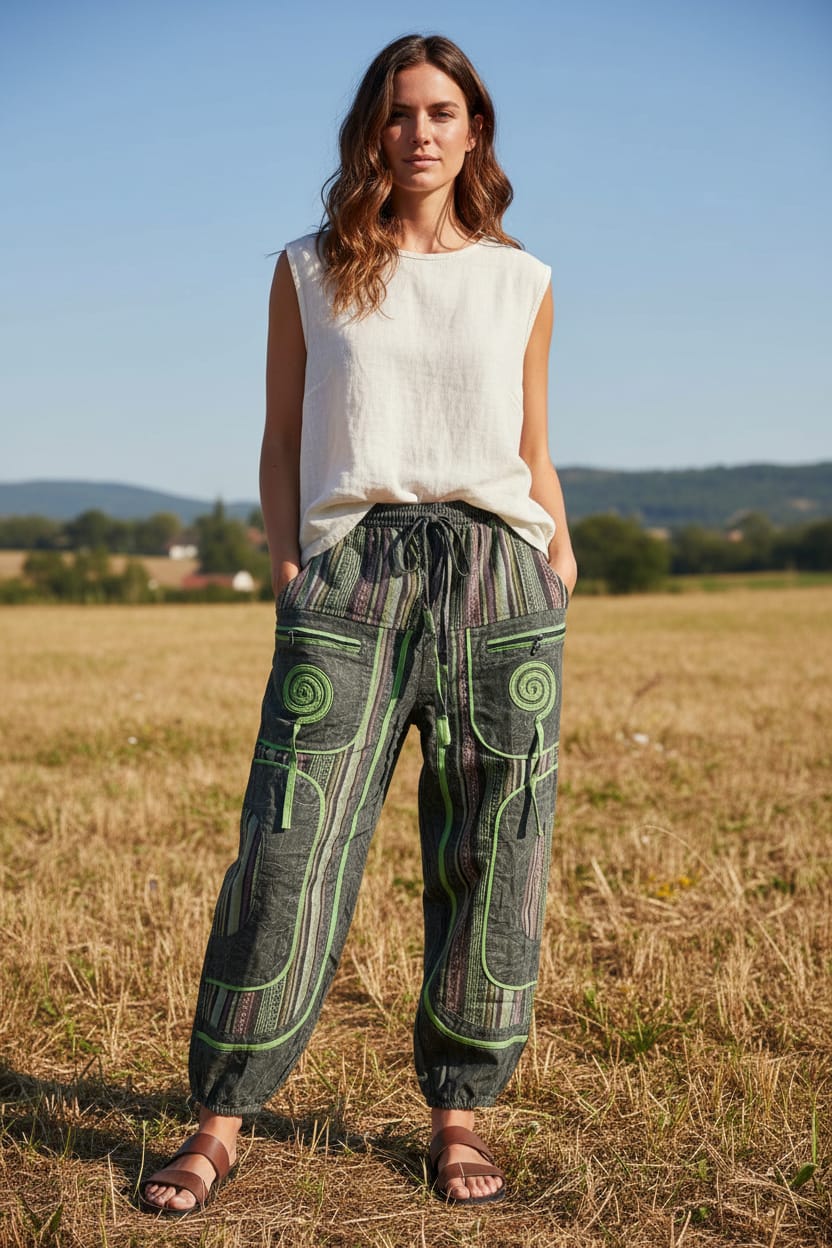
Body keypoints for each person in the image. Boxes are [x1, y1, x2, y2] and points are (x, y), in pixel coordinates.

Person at [140, 31, 577, 1217]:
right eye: (397, 112)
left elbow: (531, 443)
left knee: (493, 852)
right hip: (352, 576)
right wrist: (291, 565)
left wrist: (557, 553)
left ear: (474, 132)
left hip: (498, 575)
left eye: (440, 112)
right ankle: (220, 1122)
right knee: (288, 846)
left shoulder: (523, 280)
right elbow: (282, 438)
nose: (417, 132)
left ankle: (457, 1114)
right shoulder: (309, 269)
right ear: (369, 131)